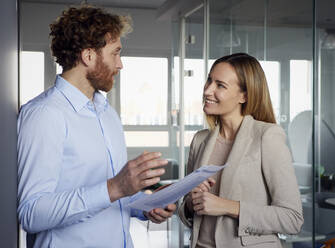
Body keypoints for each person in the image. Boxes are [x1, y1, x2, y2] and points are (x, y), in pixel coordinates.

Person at [17, 5, 175, 248]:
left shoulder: (107, 113)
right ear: (88, 56)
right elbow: (31, 213)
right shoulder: (44, 115)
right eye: (115, 53)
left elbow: (110, 197)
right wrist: (115, 187)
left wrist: (144, 207)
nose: (120, 64)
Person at [178, 53, 304, 248]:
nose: (208, 90)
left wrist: (227, 206)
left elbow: (292, 218)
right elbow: (188, 209)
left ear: (244, 95)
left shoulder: (267, 137)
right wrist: (190, 203)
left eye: (220, 85)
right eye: (209, 81)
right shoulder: (200, 140)